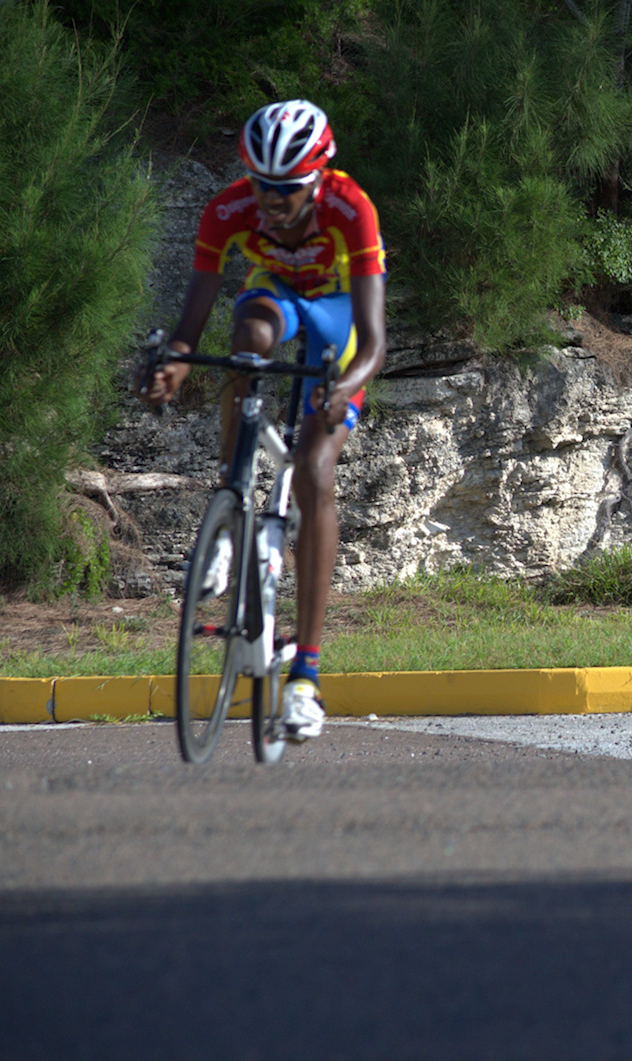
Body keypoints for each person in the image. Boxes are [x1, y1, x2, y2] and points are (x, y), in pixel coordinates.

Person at [138, 99, 386, 742]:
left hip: (338, 319)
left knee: (312, 470)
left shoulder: (351, 208)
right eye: (262, 186)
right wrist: (173, 368)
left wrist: (348, 387)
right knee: (246, 338)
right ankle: (230, 496)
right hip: (274, 298)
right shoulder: (227, 210)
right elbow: (192, 328)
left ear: (320, 177)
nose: (272, 203)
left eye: (288, 190)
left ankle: (306, 675)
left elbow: (374, 338)